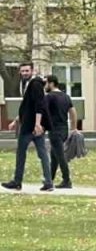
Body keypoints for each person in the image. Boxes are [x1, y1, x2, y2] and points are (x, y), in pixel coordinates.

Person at [2, 62, 54, 192]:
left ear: (32, 70)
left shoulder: (35, 84)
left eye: (27, 71)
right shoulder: (28, 84)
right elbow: (27, 107)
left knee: (22, 154)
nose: (24, 73)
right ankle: (48, 182)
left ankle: (17, 181)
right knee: (42, 153)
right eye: (22, 71)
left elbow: (39, 105)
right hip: (31, 124)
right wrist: (16, 120)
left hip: (31, 126)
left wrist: (37, 124)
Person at [44, 75, 77, 189]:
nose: (45, 86)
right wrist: (73, 128)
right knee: (54, 155)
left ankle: (67, 180)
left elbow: (43, 112)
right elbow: (73, 112)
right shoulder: (66, 96)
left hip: (54, 130)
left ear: (51, 83)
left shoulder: (49, 97)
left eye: (46, 83)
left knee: (60, 155)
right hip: (64, 130)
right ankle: (49, 179)